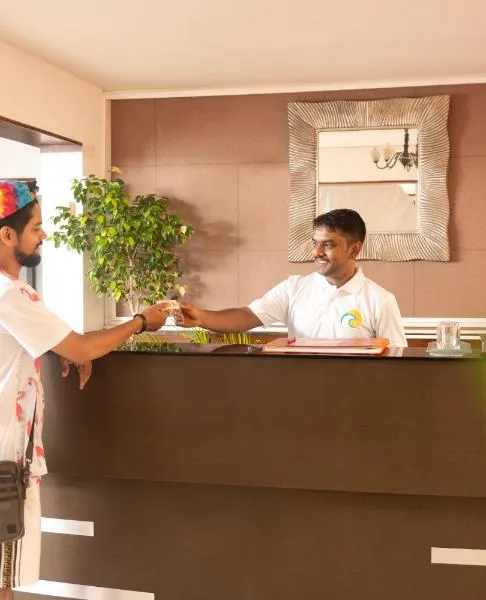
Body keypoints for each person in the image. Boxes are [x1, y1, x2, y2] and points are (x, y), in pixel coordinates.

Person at [0, 180, 168, 598]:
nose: (44, 234)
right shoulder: (10, 293)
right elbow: (81, 346)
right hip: (3, 464)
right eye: (35, 227)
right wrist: (141, 321)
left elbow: (52, 344)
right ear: (6, 235)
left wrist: (63, 349)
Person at [179, 208, 407, 347]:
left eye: (328, 245)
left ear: (354, 249)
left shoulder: (380, 300)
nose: (317, 252)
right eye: (315, 243)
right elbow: (246, 316)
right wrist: (202, 317)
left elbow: (397, 360)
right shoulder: (294, 288)